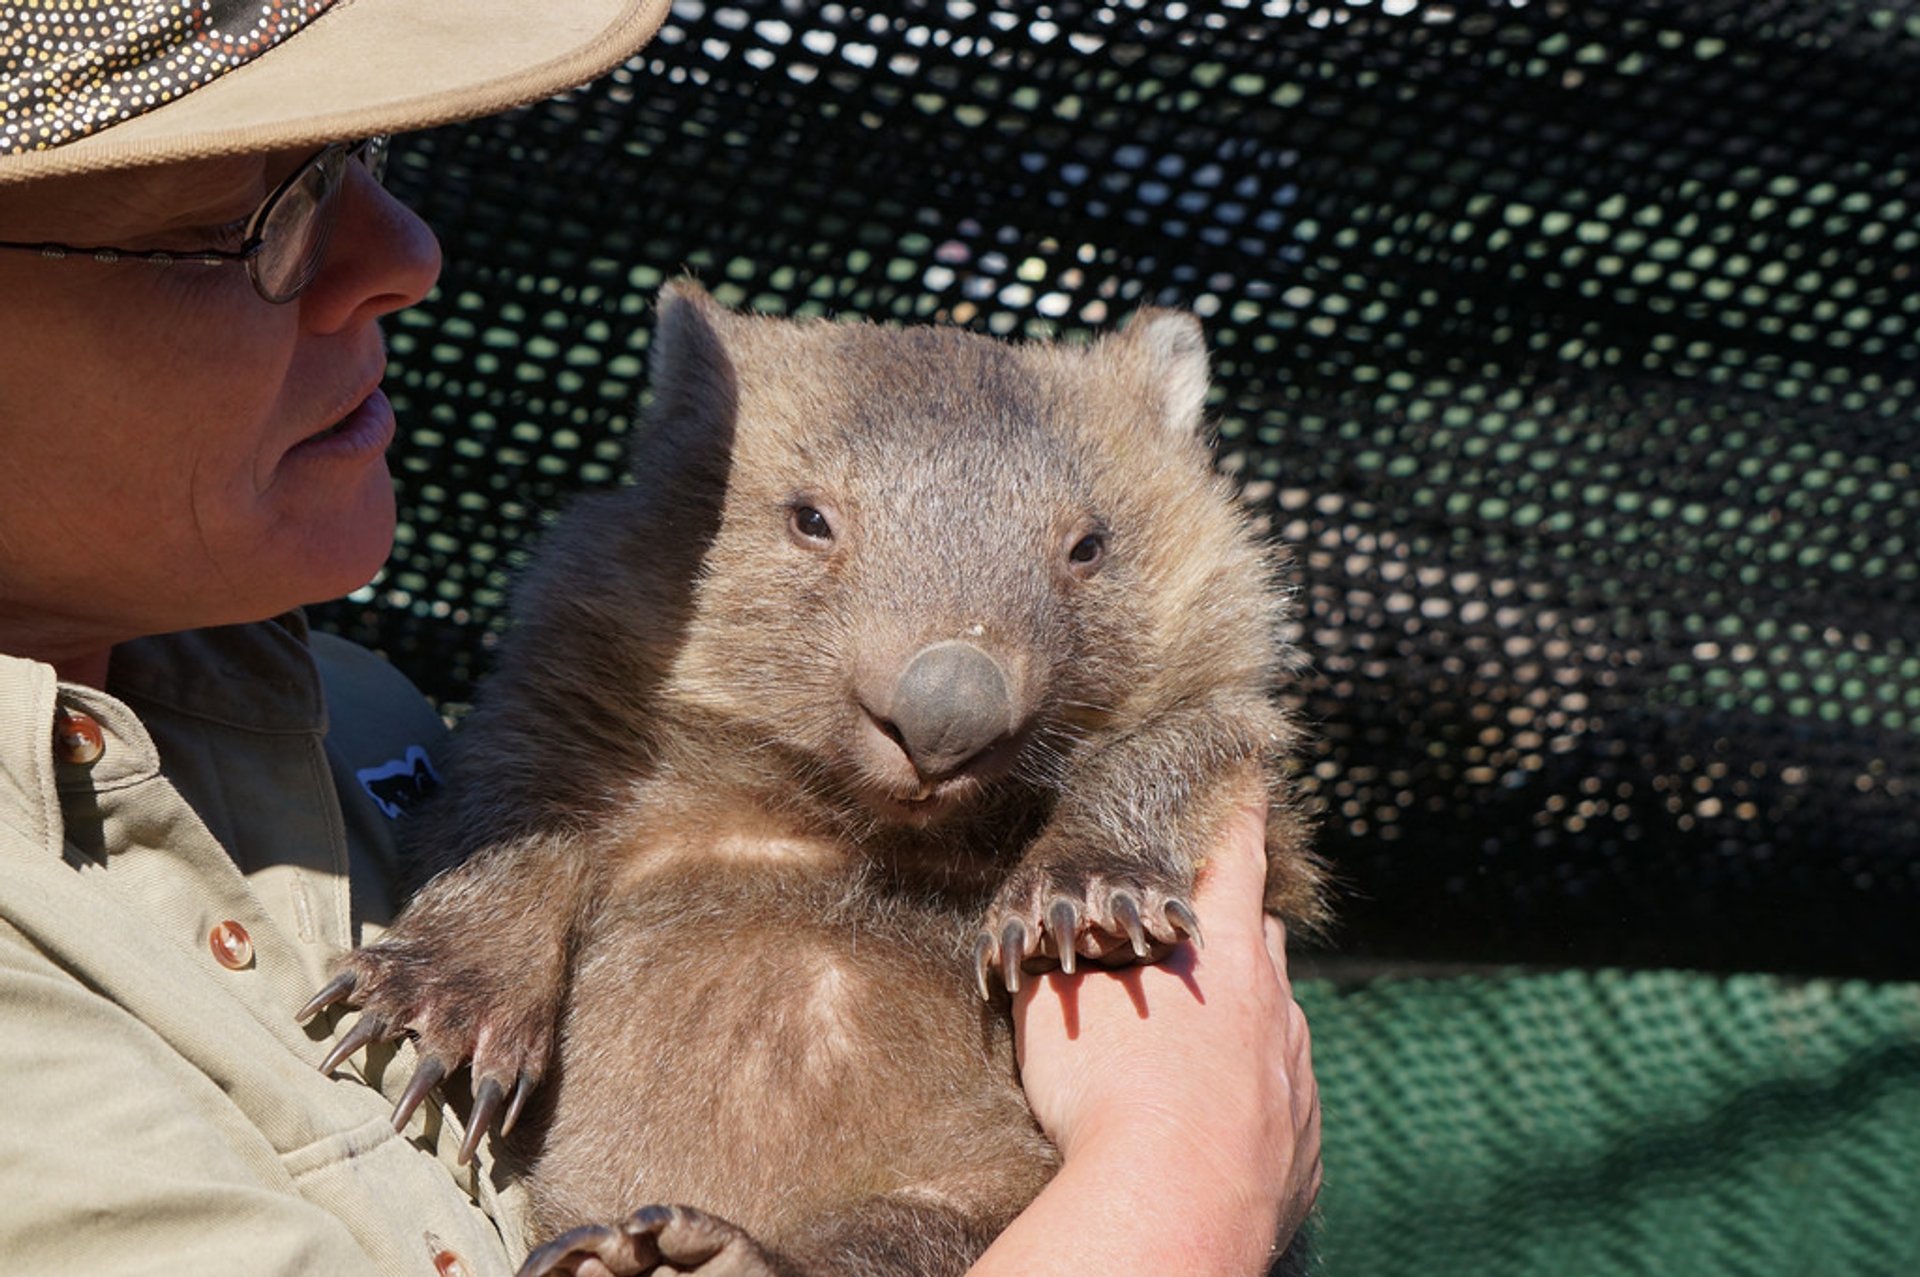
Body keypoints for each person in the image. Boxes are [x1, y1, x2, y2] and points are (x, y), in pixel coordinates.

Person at [0, 2, 1321, 1274]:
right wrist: (1185, 1181)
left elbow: (1218, 743)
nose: (407, 252)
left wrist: (1143, 812)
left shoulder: (359, 718)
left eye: (362, 163)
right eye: (254, 218)